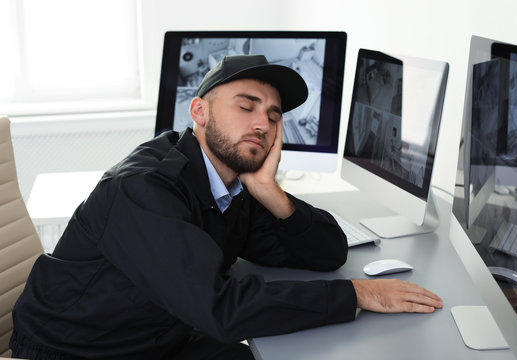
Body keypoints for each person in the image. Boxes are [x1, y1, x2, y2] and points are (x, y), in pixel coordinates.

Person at [10, 55, 442, 360]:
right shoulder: (144, 189)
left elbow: (328, 253)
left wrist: (270, 192)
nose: (263, 124)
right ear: (199, 111)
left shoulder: (230, 185)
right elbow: (219, 308)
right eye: (246, 106)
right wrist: (357, 294)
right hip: (77, 351)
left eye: (274, 116)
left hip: (156, 335)